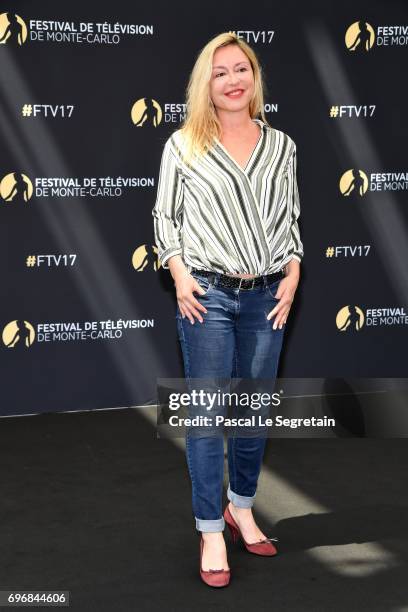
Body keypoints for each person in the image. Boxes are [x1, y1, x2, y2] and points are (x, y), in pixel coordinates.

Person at [152, 31, 303, 587]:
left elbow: (289, 219)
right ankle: (210, 527)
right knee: (209, 415)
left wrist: (293, 271)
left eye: (242, 69)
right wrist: (180, 273)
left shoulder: (283, 145)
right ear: (206, 85)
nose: (234, 80)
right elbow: (165, 221)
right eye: (220, 72)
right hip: (208, 297)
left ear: (255, 77)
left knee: (253, 411)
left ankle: (242, 506)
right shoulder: (183, 144)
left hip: (269, 296)